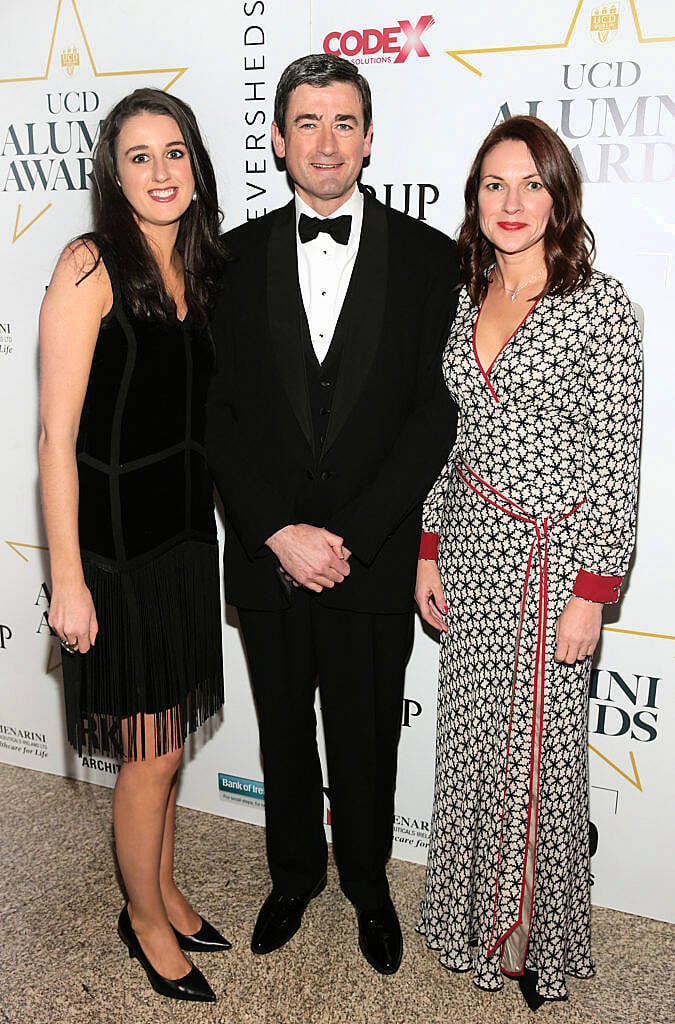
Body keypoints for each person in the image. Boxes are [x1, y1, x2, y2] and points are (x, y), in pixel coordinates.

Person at [207, 53, 458, 975]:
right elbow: (217, 413)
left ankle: (366, 885)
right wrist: (275, 529)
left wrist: (347, 536)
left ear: (367, 139)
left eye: (343, 122)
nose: (325, 141)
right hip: (270, 557)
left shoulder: (433, 260)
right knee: (282, 731)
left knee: (363, 739)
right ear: (277, 139)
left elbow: (434, 412)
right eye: (306, 123)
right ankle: (291, 878)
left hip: (374, 555)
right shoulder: (226, 261)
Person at [415, 115, 642, 1008]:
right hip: (469, 551)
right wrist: (429, 542)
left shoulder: (598, 305)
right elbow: (451, 435)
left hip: (551, 565)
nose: (511, 203)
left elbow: (614, 455)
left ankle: (532, 939)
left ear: (559, 196)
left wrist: (593, 590)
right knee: (472, 749)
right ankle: (470, 916)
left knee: (539, 760)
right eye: (493, 185)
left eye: (530, 184)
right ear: (474, 201)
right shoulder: (465, 295)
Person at [39, 88, 229, 1003]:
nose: (161, 171)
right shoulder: (89, 265)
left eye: (175, 152)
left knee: (169, 742)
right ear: (113, 177)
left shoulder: (202, 262)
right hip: (116, 553)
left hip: (189, 538)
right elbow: (53, 440)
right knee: (147, 751)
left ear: (196, 165)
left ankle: (161, 886)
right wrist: (67, 581)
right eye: (139, 156)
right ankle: (144, 920)